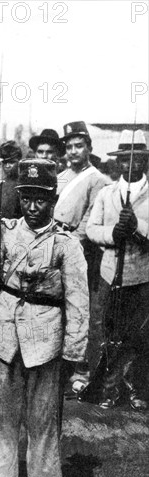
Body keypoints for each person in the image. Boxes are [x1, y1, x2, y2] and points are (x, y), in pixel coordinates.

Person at [0, 159, 89, 477]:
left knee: (43, 414)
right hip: (6, 331)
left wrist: (73, 351)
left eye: (40, 199)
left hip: (46, 335)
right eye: (27, 198)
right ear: (19, 199)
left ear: (52, 201)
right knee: (2, 412)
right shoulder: (5, 231)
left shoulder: (66, 243)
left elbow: (78, 300)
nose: (33, 206)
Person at [86, 130, 149, 411]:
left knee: (140, 336)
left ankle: (138, 390)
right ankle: (108, 389)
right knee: (109, 333)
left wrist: (137, 227)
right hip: (111, 275)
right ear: (118, 163)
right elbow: (91, 230)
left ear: (145, 161)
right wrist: (114, 232)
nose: (131, 164)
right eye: (125, 159)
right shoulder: (106, 193)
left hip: (143, 277)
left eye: (137, 159)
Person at [55, 121, 106, 394]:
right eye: (69, 146)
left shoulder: (97, 179)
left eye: (79, 146)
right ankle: (59, 369)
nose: (73, 151)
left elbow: (89, 221)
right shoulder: (62, 176)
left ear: (88, 148)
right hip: (55, 245)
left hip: (79, 250)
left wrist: (70, 243)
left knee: (78, 309)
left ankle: (81, 373)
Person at [0, 140, 22, 220]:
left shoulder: (23, 184)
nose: (7, 166)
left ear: (19, 162)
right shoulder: (1, 184)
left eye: (11, 162)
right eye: (5, 163)